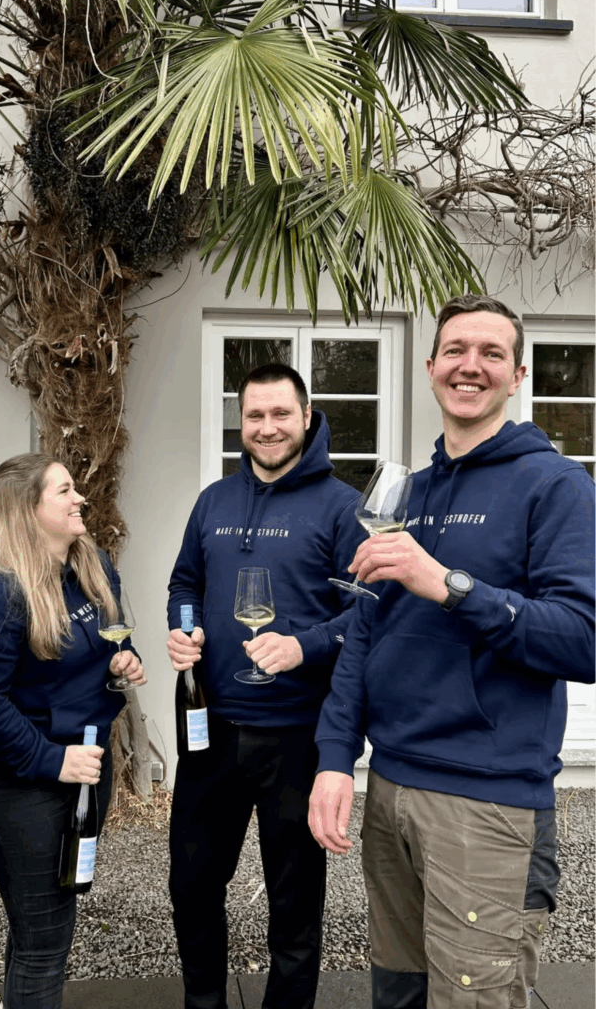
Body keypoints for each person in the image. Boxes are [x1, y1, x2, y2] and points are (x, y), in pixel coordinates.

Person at [309, 295, 595, 1009]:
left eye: (491, 353)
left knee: (476, 998)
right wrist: (336, 759)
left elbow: (582, 639)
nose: (472, 366)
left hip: (486, 802)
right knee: (398, 994)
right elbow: (363, 630)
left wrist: (448, 584)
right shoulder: (411, 492)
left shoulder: (556, 487)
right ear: (432, 366)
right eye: (457, 351)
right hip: (393, 792)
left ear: (517, 374)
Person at [167, 363, 362, 1009]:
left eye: (281, 414)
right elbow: (184, 584)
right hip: (210, 728)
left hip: (299, 735)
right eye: (255, 416)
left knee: (295, 903)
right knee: (193, 885)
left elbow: (368, 610)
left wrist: (303, 645)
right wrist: (184, 631)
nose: (268, 427)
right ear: (240, 422)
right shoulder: (214, 501)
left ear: (307, 419)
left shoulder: (342, 508)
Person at [0, 453, 145, 1009]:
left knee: (37, 926)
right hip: (22, 782)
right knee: (46, 939)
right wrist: (54, 761)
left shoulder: (93, 564)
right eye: (64, 491)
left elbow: (114, 641)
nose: (79, 499)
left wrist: (124, 663)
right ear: (28, 510)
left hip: (88, 766)